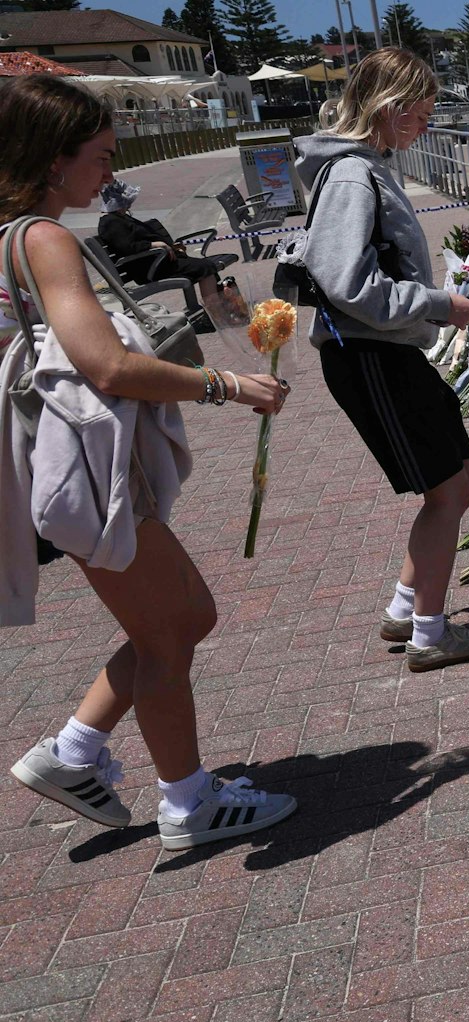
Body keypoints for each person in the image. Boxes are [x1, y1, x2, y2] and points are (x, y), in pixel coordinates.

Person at [0, 75, 297, 849]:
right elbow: (107, 366)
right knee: (169, 637)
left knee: (186, 616)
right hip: (86, 472)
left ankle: (74, 750)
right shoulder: (43, 237)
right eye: (99, 157)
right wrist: (225, 383)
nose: (111, 173)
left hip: (51, 465)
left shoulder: (8, 236)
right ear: (52, 160)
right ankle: (188, 803)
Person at [297, 48, 469, 673]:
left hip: (389, 348)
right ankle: (430, 635)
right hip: (370, 353)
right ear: (389, 108)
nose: (426, 127)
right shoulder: (354, 174)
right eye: (420, 114)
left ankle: (407, 606)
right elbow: (345, 282)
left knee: (463, 480)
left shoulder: (366, 166)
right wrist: (438, 304)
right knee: (444, 493)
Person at [95, 178, 228, 318]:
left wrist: (170, 247)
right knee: (205, 267)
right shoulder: (111, 222)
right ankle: (218, 315)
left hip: (156, 262)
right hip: (149, 269)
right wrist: (155, 245)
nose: (129, 204)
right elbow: (127, 247)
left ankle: (217, 311)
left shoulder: (119, 218)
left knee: (205, 266)